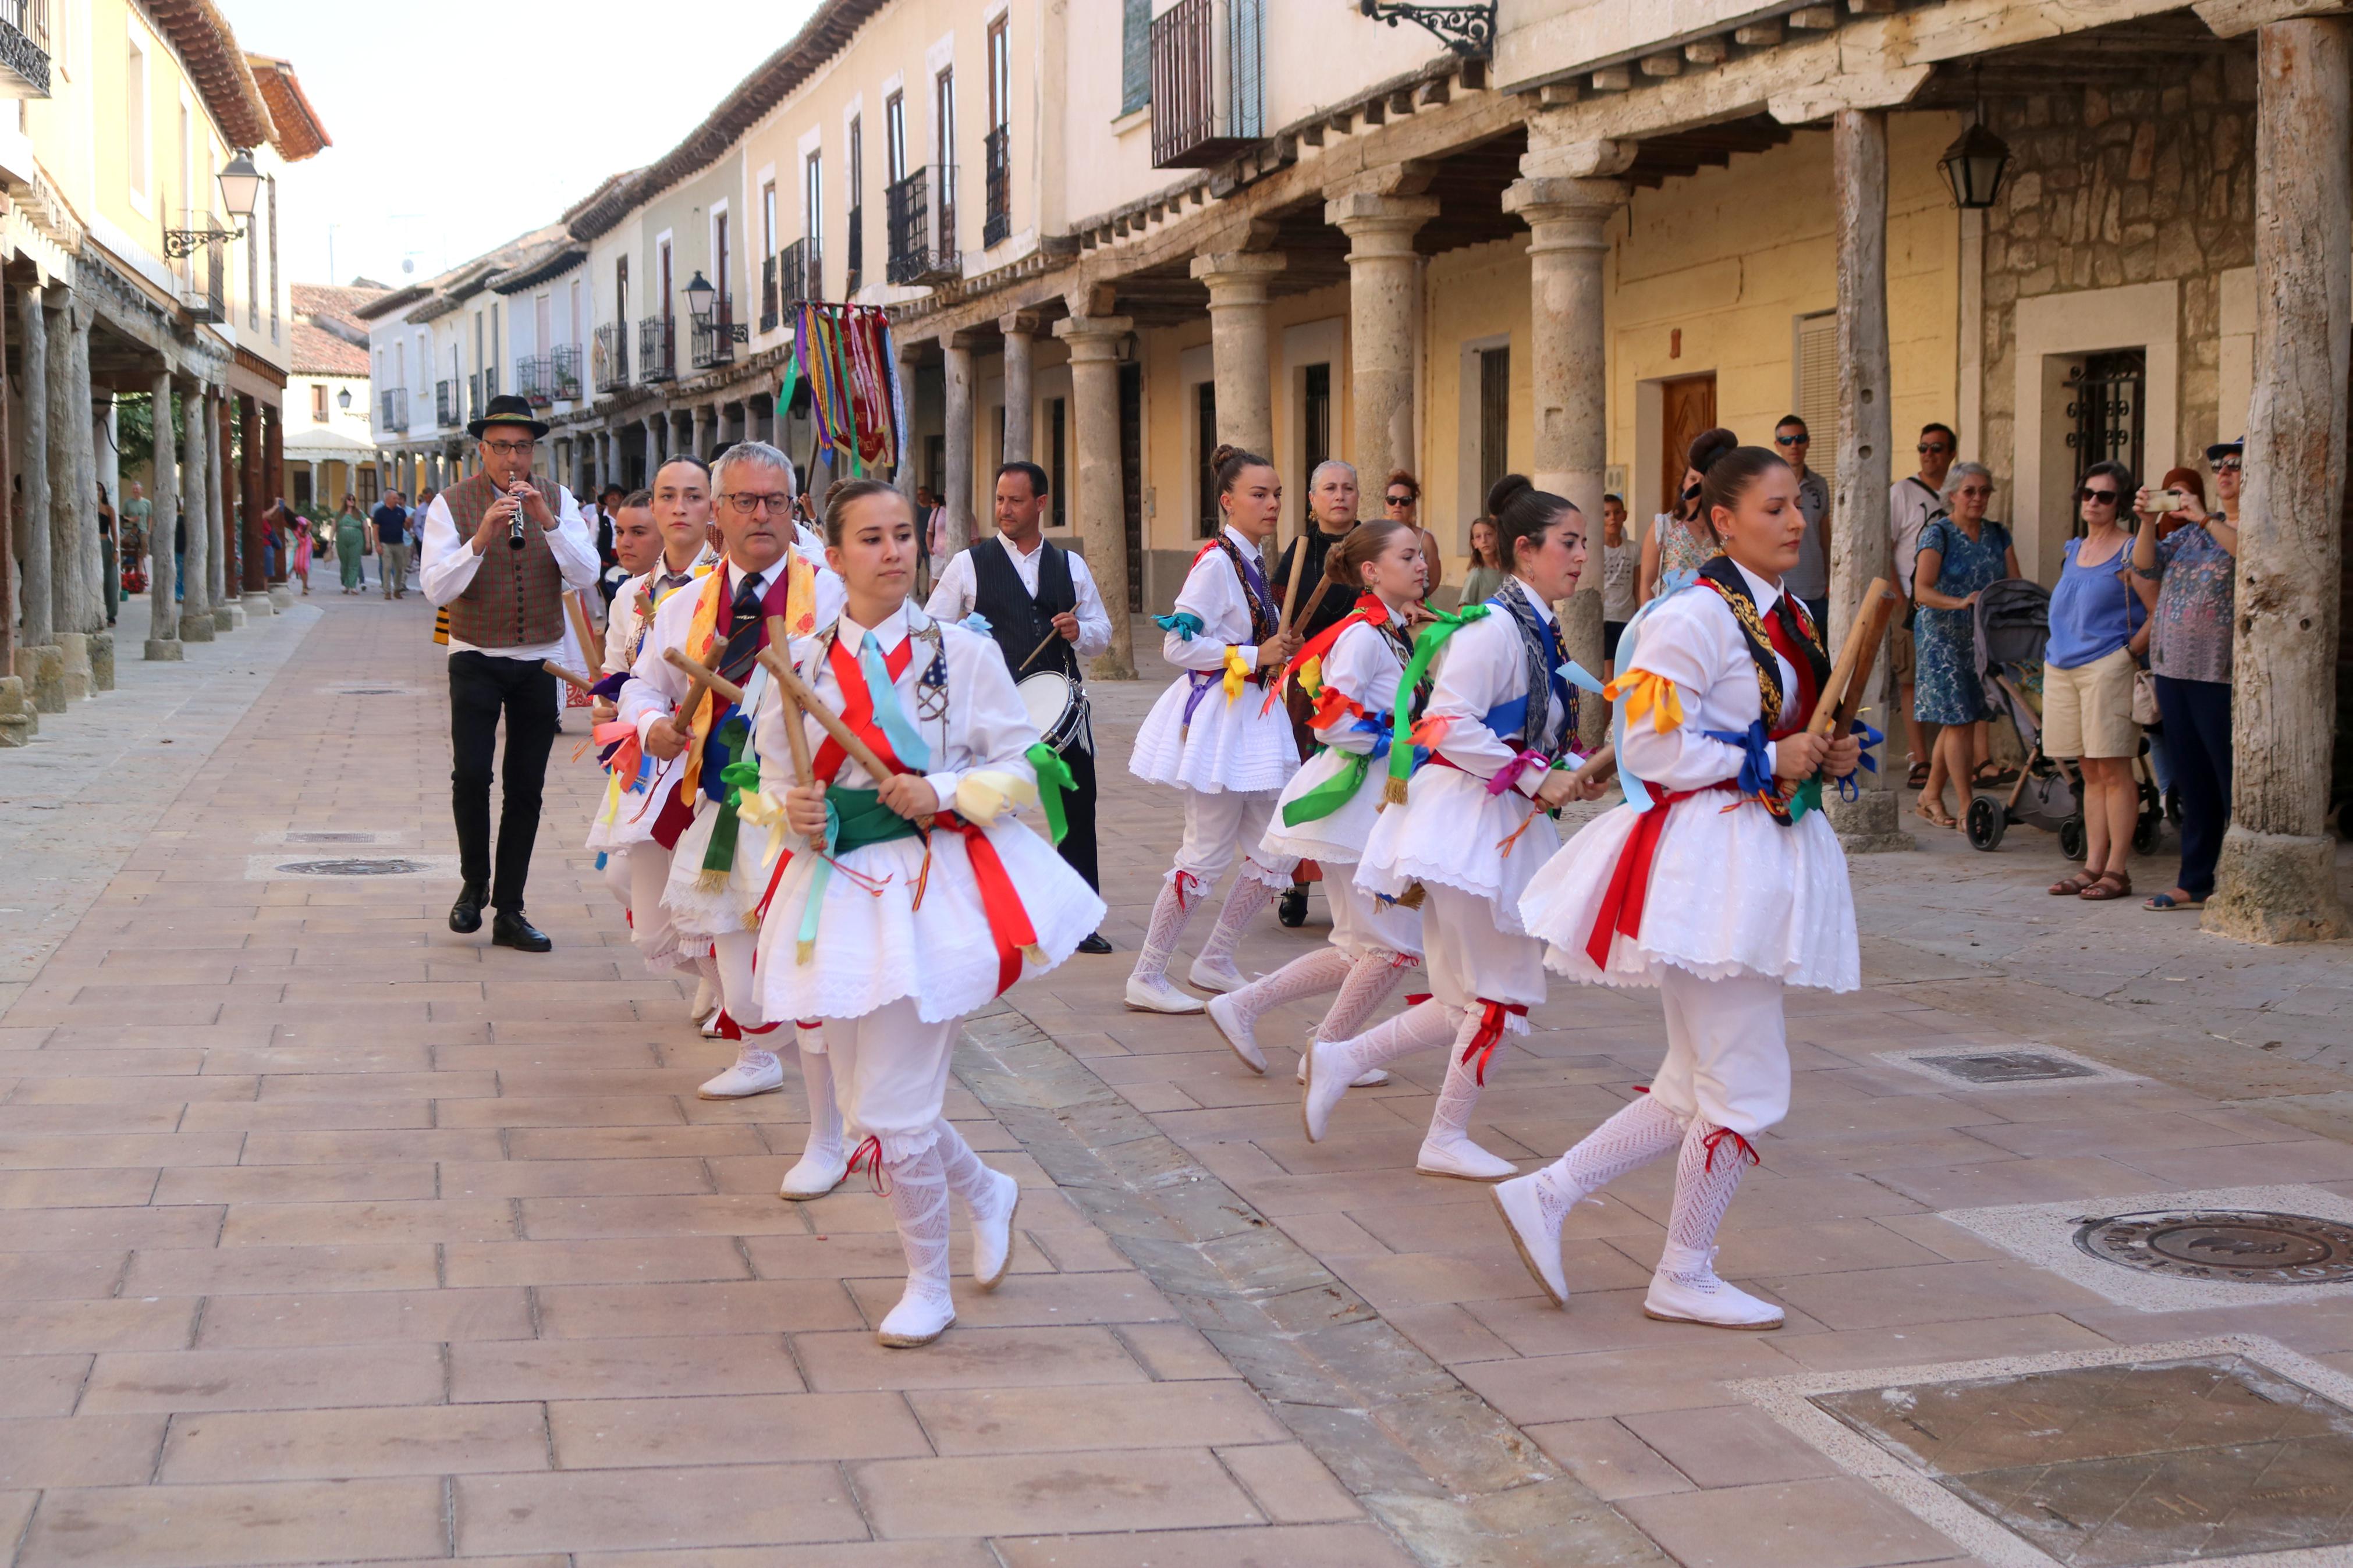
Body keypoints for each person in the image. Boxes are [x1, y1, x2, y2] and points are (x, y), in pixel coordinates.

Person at [1503, 443, 1863, 1330]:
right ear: (1720, 520)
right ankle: (1682, 1270)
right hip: (1711, 865)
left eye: (1797, 506)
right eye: (1774, 507)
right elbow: (1649, 750)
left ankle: (1547, 1192)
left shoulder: (1789, 615)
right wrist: (1766, 756)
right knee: (1743, 1083)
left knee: (1690, 1079)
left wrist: (1825, 751)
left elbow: (1784, 727)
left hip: (1753, 854)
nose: (1794, 521)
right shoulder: (1692, 615)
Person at [746, 479, 1099, 1347]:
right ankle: (985, 1190)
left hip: (933, 887)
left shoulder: (963, 651)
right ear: (832, 557)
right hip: (838, 889)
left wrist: (937, 787)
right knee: (870, 1102)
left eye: (904, 535)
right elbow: (764, 780)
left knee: (895, 1106)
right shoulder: (800, 662)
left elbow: (1024, 767)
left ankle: (926, 1284)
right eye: (870, 538)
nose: (893, 551)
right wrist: (789, 809)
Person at [1306, 474, 1605, 1179]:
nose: (1580, 555)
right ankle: (1443, 1136)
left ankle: (1341, 1056)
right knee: (1501, 989)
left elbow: (1520, 725)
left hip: (1486, 822)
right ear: (1524, 551)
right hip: (1468, 824)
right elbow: (1445, 721)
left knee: (1461, 996)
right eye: (1568, 543)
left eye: (1583, 543)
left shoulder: (1534, 626)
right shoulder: (1496, 625)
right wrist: (1537, 775)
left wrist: (1569, 766)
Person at [622, 443, 845, 1116]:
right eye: (744, 501)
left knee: (810, 969)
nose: (760, 516)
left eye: (775, 501)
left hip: (810, 811)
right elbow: (641, 686)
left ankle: (832, 1126)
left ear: (792, 510)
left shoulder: (833, 593)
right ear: (717, 512)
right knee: (743, 985)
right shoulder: (687, 605)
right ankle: (755, 1052)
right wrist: (649, 726)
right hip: (722, 805)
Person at [1209, 520, 1423, 1090]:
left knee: (1361, 947)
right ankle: (1325, 1051)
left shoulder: (1389, 633)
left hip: (1374, 802)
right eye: (1408, 556)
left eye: (1420, 554)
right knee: (1394, 948)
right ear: (1372, 572)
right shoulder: (1360, 635)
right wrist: (1403, 739)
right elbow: (1333, 720)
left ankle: (1247, 1005)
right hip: (1359, 804)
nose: (1421, 565)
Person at [420, 394, 602, 952]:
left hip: (537, 660)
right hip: (474, 654)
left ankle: (511, 908)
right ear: (482, 450)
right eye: (501, 448)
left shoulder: (559, 500)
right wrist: (480, 540)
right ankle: (473, 886)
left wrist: (547, 523)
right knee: (472, 776)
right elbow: (435, 588)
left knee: (527, 788)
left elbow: (587, 573)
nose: (512, 460)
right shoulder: (450, 505)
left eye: (522, 448)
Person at [1125, 445, 1303, 1013]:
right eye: (1259, 493)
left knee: (1274, 849)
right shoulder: (1215, 564)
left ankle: (1217, 956)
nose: (1272, 502)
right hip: (1221, 722)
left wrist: (1275, 652)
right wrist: (1254, 653)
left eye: (1276, 493)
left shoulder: (1248, 561)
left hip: (1252, 720)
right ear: (1228, 501)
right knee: (1203, 853)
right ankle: (1147, 973)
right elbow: (1176, 645)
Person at [925, 460, 1115, 955]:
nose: (1003, 510)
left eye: (1014, 500)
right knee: (983, 808)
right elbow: (929, 632)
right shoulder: (968, 564)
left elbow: (1101, 633)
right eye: (999, 499)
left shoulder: (1071, 566)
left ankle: (1079, 919)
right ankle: (978, 915)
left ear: (1040, 504)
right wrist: (964, 636)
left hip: (1062, 710)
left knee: (1076, 810)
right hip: (992, 711)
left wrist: (1080, 632)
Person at [2133, 444, 2238, 911]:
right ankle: (2194, 879)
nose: (2225, 473)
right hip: (2172, 668)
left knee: (2227, 777)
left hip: (2219, 673)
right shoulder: (2190, 536)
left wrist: (2202, 518)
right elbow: (2144, 564)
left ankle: (2237, 875)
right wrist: (2145, 522)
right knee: (2192, 780)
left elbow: (2251, 555)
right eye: (2218, 467)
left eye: (2236, 466)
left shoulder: (2243, 527)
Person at [2043, 460, 2148, 902]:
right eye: (2088, 494)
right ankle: (2092, 864)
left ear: (2119, 502)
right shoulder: (2073, 548)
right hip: (2062, 665)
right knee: (2087, 768)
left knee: (2114, 767)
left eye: (2105, 496)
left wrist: (2126, 653)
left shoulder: (2130, 551)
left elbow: (2157, 610)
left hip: (2107, 665)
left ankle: (2117, 870)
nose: (2093, 502)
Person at [1911, 462, 2021, 827]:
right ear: (1953, 495)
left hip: (1979, 636)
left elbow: (2013, 583)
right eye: (1969, 491)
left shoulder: (1998, 533)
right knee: (1958, 720)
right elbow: (1922, 591)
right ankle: (1965, 805)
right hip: (1942, 635)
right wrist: (1960, 602)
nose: (1978, 498)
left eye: (1984, 491)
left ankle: (1929, 796)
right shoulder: (1938, 533)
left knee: (1965, 717)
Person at [1893, 424, 1958, 789]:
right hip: (1911, 600)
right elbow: (1885, 544)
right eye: (1923, 448)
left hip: (1950, 605)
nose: (1929, 454)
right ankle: (1919, 757)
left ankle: (1963, 761)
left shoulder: (1957, 493)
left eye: (1937, 448)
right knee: (1911, 679)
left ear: (1951, 454)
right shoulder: (1901, 492)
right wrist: (1900, 598)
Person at [1270, 461, 1367, 643]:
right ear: (1312, 499)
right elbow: (1276, 613)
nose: (1340, 496)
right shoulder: (1300, 551)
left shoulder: (1376, 546)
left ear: (1358, 496)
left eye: (1348, 489)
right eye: (1330, 488)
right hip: (1307, 660)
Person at [1639, 432, 1728, 600]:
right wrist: (1648, 621)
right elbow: (1647, 582)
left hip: (1714, 615)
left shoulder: (1724, 527)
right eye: (1693, 479)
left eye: (1704, 481)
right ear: (1684, 483)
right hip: (1670, 617)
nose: (1697, 485)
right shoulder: (1664, 526)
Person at [1774, 416, 1832, 627]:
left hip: (1816, 591)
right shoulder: (1768, 485)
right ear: (1778, 446)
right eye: (1787, 440)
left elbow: (1826, 539)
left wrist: (1829, 582)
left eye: (1800, 439)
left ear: (1808, 442)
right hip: (1780, 589)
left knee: (1817, 658)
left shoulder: (1821, 485)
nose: (1794, 445)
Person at [1382, 470, 1442, 601]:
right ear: (1387, 503)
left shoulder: (1426, 539)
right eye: (1392, 500)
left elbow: (1434, 579)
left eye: (1405, 501)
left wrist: (1417, 600)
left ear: (1413, 505)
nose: (1398, 505)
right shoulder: (1377, 537)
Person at [1600, 493, 1638, 678]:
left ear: (1625, 515)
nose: (1612, 518)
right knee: (1609, 679)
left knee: (1626, 677)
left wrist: (1640, 615)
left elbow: (1638, 585)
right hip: (1605, 619)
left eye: (1616, 513)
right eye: (1606, 514)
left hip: (1627, 619)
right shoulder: (1596, 550)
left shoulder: (1634, 549)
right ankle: (1606, 709)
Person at [1459, 516, 1507, 608]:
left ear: (1497, 537)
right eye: (1478, 537)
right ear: (1475, 544)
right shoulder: (1476, 575)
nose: (1484, 540)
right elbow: (1462, 611)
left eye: (1489, 534)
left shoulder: (1509, 570)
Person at [373, 490, 413, 600]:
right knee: (387, 567)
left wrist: (409, 523)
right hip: (385, 544)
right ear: (388, 499)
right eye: (395, 498)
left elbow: (406, 528)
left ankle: (397, 589)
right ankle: (387, 591)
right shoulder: (380, 512)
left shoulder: (401, 512)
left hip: (399, 543)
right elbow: (375, 529)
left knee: (400, 568)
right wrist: (377, 545)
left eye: (398, 499)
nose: (397, 501)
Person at [336, 498, 369, 595]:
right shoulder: (339, 514)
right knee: (345, 563)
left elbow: (366, 528)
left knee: (355, 563)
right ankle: (345, 584)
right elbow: (334, 528)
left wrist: (368, 542)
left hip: (357, 539)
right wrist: (330, 542)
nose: (351, 501)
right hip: (342, 539)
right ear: (345, 502)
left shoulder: (359, 513)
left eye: (353, 500)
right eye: (349, 499)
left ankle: (352, 586)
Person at [97, 484, 119, 625]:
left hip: (105, 544)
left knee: (110, 580)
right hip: (92, 545)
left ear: (103, 492)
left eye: (99, 489)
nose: (97, 491)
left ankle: (111, 614)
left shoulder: (109, 510)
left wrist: (116, 550)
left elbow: (114, 531)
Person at [289, 505, 313, 594]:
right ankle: (304, 585)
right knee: (296, 564)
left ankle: (305, 587)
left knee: (303, 565)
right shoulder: (289, 525)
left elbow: (310, 524)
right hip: (298, 544)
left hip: (306, 542)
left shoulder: (299, 519)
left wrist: (305, 532)